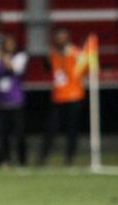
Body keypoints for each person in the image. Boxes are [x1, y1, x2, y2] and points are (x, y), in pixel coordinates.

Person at [39, 27, 86, 165]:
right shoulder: (52, 54)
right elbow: (48, 69)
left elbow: (84, 69)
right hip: (58, 96)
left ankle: (69, 158)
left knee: (72, 129)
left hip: (74, 96)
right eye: (58, 36)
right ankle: (43, 158)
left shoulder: (76, 53)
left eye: (63, 36)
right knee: (51, 129)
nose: (60, 39)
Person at [0, 35, 27, 166]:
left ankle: (22, 160)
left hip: (16, 101)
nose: (9, 46)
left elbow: (13, 68)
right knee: (3, 134)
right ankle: (5, 160)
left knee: (19, 134)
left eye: (12, 43)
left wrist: (1, 55)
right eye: (7, 43)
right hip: (1, 101)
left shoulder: (20, 57)